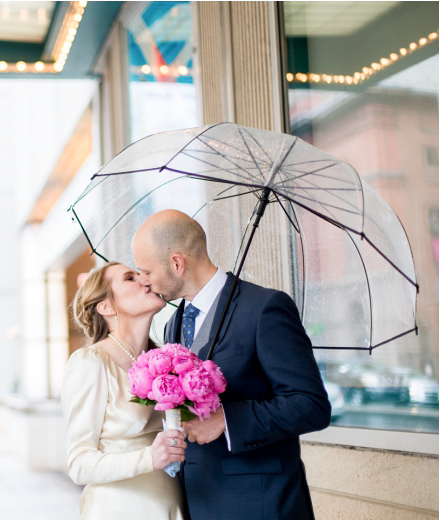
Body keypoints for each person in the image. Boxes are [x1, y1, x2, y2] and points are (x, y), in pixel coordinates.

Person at [131, 209, 332, 520]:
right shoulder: (172, 324)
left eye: (145, 271)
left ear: (176, 264)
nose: (143, 282)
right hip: (198, 501)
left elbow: (311, 405)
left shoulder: (265, 308)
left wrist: (226, 420)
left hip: (262, 503)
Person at [62, 261, 186, 519]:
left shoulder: (163, 360)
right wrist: (148, 457)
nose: (145, 280)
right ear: (106, 307)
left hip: (171, 504)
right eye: (130, 278)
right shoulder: (91, 362)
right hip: (120, 510)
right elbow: (78, 464)